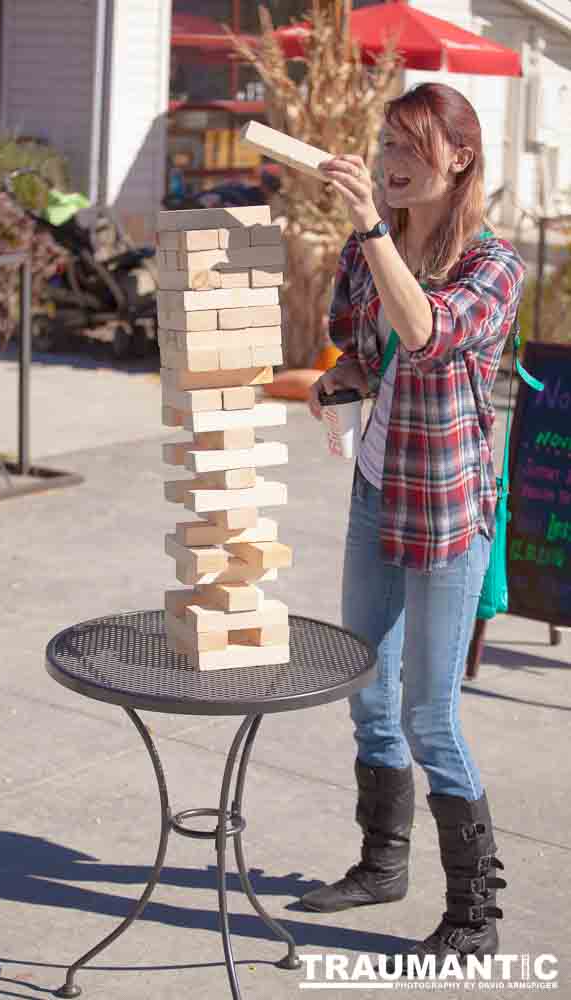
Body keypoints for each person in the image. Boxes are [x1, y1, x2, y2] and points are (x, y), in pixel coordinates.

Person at [304, 82, 523, 969]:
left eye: (411, 145)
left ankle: (475, 911)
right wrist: (337, 381)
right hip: (375, 494)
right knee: (366, 690)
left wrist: (368, 232)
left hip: (446, 515)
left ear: (459, 160)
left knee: (430, 714)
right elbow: (368, 347)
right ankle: (379, 864)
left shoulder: (494, 267)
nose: (390, 160)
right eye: (386, 141)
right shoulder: (373, 251)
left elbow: (429, 332)